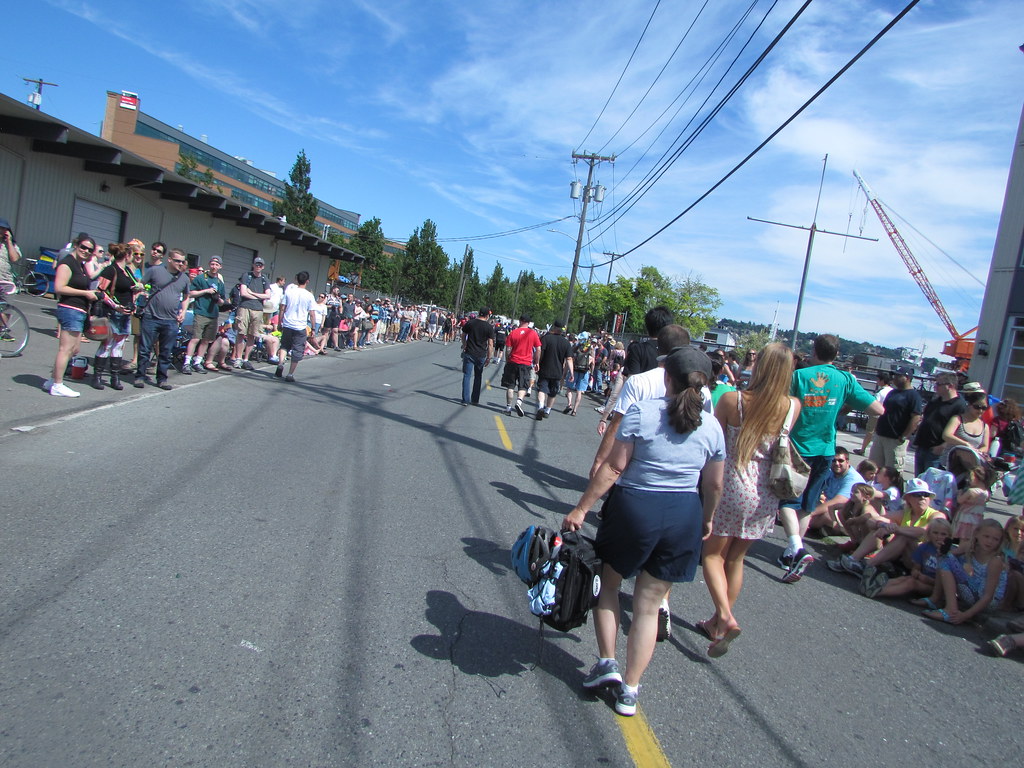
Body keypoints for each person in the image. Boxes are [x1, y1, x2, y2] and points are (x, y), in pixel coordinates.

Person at [561, 346, 725, 716]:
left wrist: (582, 508)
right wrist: (707, 519)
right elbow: (714, 484)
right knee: (649, 607)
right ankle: (630, 690)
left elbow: (614, 468)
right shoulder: (712, 426)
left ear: (667, 377)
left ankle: (607, 663)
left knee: (609, 584)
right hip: (683, 513)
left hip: (635, 507)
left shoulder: (642, 412)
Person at [701, 342, 799, 653]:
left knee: (712, 555)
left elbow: (713, 443)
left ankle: (725, 616)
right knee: (736, 558)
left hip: (733, 482)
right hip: (766, 490)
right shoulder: (792, 406)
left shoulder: (733, 400)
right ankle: (717, 624)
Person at [777, 334, 883, 583]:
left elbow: (780, 407)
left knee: (787, 501)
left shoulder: (798, 376)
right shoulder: (845, 379)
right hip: (826, 450)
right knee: (808, 504)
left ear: (814, 351)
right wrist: (842, 405)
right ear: (836, 355)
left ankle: (796, 548)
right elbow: (877, 409)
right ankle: (792, 552)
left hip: (799, 447)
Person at [834, 477, 946, 577]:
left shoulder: (937, 515)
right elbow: (873, 520)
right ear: (908, 498)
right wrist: (883, 526)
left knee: (905, 536)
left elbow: (923, 531)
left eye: (926, 495)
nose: (922, 497)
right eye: (917, 495)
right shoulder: (904, 513)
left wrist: (896, 529)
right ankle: (853, 560)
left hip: (924, 562)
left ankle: (867, 565)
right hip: (904, 556)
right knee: (881, 528)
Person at [920, 518, 1008, 625]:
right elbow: (948, 556)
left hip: (987, 602)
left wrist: (965, 615)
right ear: (977, 534)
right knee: (945, 557)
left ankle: (950, 610)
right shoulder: (971, 546)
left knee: (946, 559)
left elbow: (988, 596)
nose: (990, 542)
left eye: (995, 539)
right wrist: (942, 550)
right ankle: (936, 598)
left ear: (1000, 541)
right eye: (986, 536)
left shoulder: (995, 560)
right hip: (972, 592)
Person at [44, 233, 101, 397]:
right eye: (83, 247)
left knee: (74, 349)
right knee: (66, 348)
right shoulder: (67, 263)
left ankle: (52, 380)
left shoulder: (80, 265)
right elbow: (59, 287)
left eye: (89, 250)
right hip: (70, 308)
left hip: (79, 310)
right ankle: (57, 384)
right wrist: (85, 293)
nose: (86, 251)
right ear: (76, 245)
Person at [134, 247, 192, 390]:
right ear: (169, 260)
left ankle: (162, 379)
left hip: (171, 320)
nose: (180, 264)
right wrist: (141, 291)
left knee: (166, 352)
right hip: (151, 316)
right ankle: (140, 376)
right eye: (177, 261)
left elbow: (186, 297)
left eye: (182, 261)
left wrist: (183, 311)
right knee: (145, 349)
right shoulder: (155, 271)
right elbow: (142, 285)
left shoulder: (184, 278)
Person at [91, 243, 144, 391]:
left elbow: (132, 287)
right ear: (127, 256)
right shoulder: (111, 270)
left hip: (125, 313)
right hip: (112, 313)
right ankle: (97, 377)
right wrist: (115, 306)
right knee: (107, 344)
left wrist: (137, 291)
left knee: (119, 345)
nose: (133, 257)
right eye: (132, 254)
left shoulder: (127, 271)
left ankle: (115, 377)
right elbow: (100, 291)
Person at [866, 517, 952, 599]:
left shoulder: (950, 553)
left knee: (911, 583)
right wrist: (916, 573)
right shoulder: (924, 547)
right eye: (935, 533)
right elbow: (916, 568)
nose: (939, 537)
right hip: (922, 579)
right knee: (904, 578)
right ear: (929, 534)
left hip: (936, 587)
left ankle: (877, 592)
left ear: (949, 536)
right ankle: (873, 585)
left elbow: (946, 583)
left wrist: (927, 580)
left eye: (943, 534)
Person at [912, 372, 966, 477]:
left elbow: (959, 431)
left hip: (936, 450)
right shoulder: (936, 401)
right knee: (919, 480)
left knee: (931, 481)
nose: (935, 387)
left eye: (938, 384)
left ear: (950, 386)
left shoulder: (959, 405)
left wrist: (943, 446)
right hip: (922, 445)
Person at [869, 368, 922, 472]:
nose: (895, 378)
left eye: (898, 376)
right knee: (874, 468)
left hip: (895, 439)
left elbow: (916, 417)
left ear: (907, 378)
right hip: (881, 435)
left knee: (892, 472)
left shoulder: (913, 396)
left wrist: (904, 436)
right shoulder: (892, 392)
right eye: (894, 375)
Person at [804, 448, 866, 537]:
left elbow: (836, 502)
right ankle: (824, 528)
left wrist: (809, 514)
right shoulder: (831, 472)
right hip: (831, 507)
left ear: (847, 462)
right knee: (806, 505)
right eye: (833, 461)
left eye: (840, 461)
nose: (837, 464)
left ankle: (805, 523)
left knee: (826, 516)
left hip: (849, 513)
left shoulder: (853, 479)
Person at [182, 255, 227, 375]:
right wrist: (206, 291)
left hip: (213, 314)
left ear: (220, 267)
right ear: (209, 264)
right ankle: (187, 362)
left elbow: (222, 301)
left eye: (217, 265)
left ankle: (198, 362)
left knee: (206, 340)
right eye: (212, 264)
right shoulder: (200, 278)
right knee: (195, 338)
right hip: (201, 312)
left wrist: (218, 299)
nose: (214, 267)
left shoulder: (219, 282)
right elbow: (190, 293)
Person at [275, 271, 316, 382]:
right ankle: (290, 374)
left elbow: (282, 308)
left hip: (288, 323)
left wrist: (280, 322)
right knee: (297, 349)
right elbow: (312, 313)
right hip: (300, 326)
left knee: (285, 345)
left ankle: (280, 363)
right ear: (307, 281)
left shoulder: (289, 292)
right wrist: (313, 328)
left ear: (297, 279)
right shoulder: (309, 295)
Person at [232, 256, 272, 370]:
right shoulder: (246, 276)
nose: (258, 266)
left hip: (258, 309)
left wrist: (253, 294)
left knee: (252, 334)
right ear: (253, 265)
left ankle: (246, 359)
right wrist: (259, 297)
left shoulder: (265, 279)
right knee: (241, 333)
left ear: (263, 267)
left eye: (260, 265)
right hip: (245, 307)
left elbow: (268, 295)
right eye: (256, 264)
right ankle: (238, 358)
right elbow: (243, 293)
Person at [533, 320, 571, 420]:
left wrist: (537, 363)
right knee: (552, 393)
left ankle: (541, 406)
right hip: (557, 371)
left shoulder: (546, 338)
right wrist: (571, 373)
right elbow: (569, 359)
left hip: (545, 369)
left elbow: (540, 352)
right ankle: (547, 410)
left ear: (554, 327)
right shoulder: (566, 343)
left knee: (542, 389)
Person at [941, 390, 991, 464]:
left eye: (984, 408)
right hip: (949, 464)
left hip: (968, 466)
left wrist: (977, 451)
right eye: (977, 407)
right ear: (969, 405)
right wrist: (966, 444)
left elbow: (985, 446)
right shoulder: (957, 419)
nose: (980, 411)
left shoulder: (985, 426)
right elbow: (946, 435)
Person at [460, 307, 494, 405]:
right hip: (481, 354)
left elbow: (463, 334)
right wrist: (489, 357)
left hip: (470, 352)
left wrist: (464, 344)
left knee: (467, 375)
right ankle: (475, 399)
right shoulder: (489, 327)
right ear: (487, 315)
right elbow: (490, 344)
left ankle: (465, 399)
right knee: (478, 376)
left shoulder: (470, 323)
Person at [856, 372, 892, 455]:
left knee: (870, 432)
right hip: (887, 415)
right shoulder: (892, 391)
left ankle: (862, 449)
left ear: (882, 381)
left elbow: (874, 403)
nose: (877, 381)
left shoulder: (880, 392)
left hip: (876, 415)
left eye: (878, 380)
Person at [564, 339, 593, 416]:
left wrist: (565, 372)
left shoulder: (575, 351)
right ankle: (575, 410)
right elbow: (592, 363)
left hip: (575, 370)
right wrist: (592, 373)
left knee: (569, 388)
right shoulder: (590, 352)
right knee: (579, 391)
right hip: (584, 372)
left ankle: (569, 404)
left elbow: (569, 360)